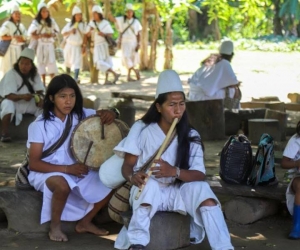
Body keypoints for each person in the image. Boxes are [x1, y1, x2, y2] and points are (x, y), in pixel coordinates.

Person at [113, 70, 234, 250]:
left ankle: (224, 247)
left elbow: (199, 174)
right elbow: (127, 166)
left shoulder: (191, 135)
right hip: (147, 192)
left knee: (204, 191)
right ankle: (137, 243)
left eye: (181, 104)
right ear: (158, 107)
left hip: (178, 193)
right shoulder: (142, 130)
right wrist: (133, 177)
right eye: (171, 105)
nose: (178, 110)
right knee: (150, 185)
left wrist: (174, 172)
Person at [27, 74, 117, 242]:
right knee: (62, 184)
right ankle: (54, 227)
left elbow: (105, 115)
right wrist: (67, 169)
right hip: (45, 172)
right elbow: (34, 164)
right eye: (62, 96)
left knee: (111, 178)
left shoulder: (81, 115)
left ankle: (85, 222)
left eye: (72, 96)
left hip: (75, 170)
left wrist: (110, 113)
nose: (68, 101)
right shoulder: (39, 125)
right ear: (52, 98)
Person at [0, 48, 44, 142]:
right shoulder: (11, 74)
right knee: (8, 104)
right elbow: (8, 95)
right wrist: (22, 97)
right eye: (22, 63)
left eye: (27, 64)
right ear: (18, 63)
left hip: (28, 103)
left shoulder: (35, 74)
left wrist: (40, 99)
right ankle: (4, 133)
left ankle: (40, 133)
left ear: (31, 65)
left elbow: (40, 91)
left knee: (43, 107)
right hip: (13, 102)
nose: (24, 66)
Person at [188, 40, 240, 107]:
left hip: (193, 95)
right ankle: (233, 111)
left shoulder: (212, 59)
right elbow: (234, 83)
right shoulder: (225, 63)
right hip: (202, 97)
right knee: (234, 90)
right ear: (232, 54)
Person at [86, 5, 120, 85]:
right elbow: (87, 35)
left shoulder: (105, 23)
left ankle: (106, 80)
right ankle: (115, 73)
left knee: (106, 61)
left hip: (104, 45)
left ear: (99, 14)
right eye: (93, 14)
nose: (94, 15)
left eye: (95, 14)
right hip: (97, 45)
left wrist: (103, 34)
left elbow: (111, 34)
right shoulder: (92, 23)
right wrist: (90, 31)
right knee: (98, 62)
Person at [28, 1, 59, 86]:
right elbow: (31, 34)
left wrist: (51, 35)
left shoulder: (52, 21)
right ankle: (43, 83)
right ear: (40, 12)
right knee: (41, 63)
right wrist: (41, 35)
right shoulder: (36, 22)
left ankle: (53, 83)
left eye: (46, 11)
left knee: (51, 62)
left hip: (49, 45)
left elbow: (57, 31)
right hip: (41, 46)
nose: (45, 13)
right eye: (43, 11)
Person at [109, 3, 142, 82]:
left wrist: (139, 43)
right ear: (126, 12)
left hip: (133, 41)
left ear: (133, 12)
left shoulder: (136, 22)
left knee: (131, 58)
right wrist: (109, 8)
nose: (129, 13)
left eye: (131, 12)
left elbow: (138, 34)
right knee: (126, 57)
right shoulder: (121, 20)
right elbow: (113, 19)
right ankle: (135, 70)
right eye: (128, 12)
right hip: (125, 42)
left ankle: (129, 76)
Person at [281, 121, 300, 239]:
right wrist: (297, 163)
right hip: (297, 176)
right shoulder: (296, 140)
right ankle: (297, 226)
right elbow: (284, 163)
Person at [0, 4, 27, 79]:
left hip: (18, 49)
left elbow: (26, 37)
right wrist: (12, 37)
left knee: (18, 68)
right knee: (8, 68)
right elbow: (1, 36)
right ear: (12, 15)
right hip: (9, 50)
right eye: (16, 13)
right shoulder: (7, 24)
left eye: (19, 14)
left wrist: (21, 38)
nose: (18, 15)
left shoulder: (21, 26)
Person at [61, 6, 86, 84]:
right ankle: (67, 77)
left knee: (77, 62)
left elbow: (85, 36)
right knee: (67, 60)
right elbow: (63, 33)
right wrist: (70, 31)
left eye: (80, 15)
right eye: (77, 15)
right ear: (74, 16)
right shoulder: (69, 25)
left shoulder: (83, 25)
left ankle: (75, 78)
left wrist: (84, 46)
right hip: (69, 45)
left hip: (77, 46)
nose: (79, 16)